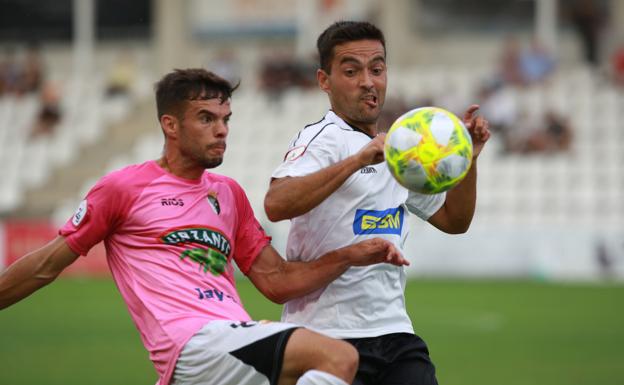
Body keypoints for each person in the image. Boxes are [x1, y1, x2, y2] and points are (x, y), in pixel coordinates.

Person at [0, 68, 409, 385]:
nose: (222, 130)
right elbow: (46, 264)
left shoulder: (228, 194)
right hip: (191, 343)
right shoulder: (124, 188)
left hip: (227, 344)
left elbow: (278, 281)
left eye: (226, 119)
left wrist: (352, 255)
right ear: (170, 125)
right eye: (206, 118)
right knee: (338, 358)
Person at [264, 21, 491, 385]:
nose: (368, 81)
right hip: (325, 333)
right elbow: (276, 203)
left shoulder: (400, 149)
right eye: (351, 71)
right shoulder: (324, 139)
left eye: (377, 69)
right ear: (325, 81)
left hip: (394, 332)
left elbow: (454, 220)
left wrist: (468, 160)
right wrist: (357, 160)